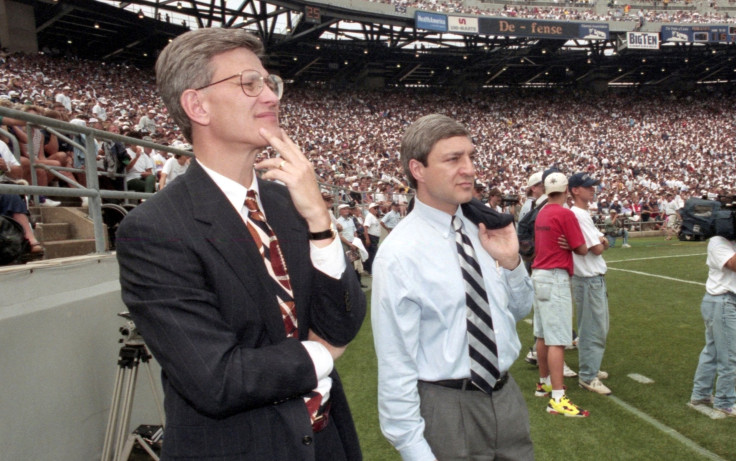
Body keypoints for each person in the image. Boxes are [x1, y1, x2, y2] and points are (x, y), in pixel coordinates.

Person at [116, 28, 366, 460]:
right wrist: (319, 355)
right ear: (198, 105)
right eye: (250, 83)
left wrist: (320, 222)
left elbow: (343, 322)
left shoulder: (288, 202)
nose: (270, 96)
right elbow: (217, 378)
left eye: (270, 83)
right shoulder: (154, 229)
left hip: (327, 443)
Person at [372, 114, 534, 461]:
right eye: (453, 159)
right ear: (418, 170)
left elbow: (518, 311)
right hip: (446, 408)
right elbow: (395, 362)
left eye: (471, 156)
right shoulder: (399, 254)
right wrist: (413, 448)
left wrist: (511, 262)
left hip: (506, 399)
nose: (469, 169)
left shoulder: (483, 229)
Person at [532, 172, 590, 417]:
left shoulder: (542, 212)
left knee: (543, 334)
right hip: (555, 275)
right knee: (557, 339)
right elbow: (583, 249)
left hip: (539, 273)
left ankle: (544, 382)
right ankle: (557, 397)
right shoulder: (565, 213)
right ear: (567, 190)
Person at [568, 173, 612, 396]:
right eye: (587, 187)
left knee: (594, 326)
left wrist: (602, 241)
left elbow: (602, 241)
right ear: (575, 190)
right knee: (594, 327)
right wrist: (603, 242)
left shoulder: (582, 213)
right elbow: (598, 246)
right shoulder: (578, 215)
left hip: (590, 278)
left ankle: (590, 368)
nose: (592, 189)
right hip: (588, 278)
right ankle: (587, 375)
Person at [688, 234, 736, 417]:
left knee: (714, 350)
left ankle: (701, 394)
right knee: (729, 354)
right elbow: (733, 265)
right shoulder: (718, 241)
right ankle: (725, 401)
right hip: (722, 301)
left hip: (724, 301)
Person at [363, 202, 381, 275]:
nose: (376, 210)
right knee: (372, 254)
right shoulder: (369, 216)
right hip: (371, 236)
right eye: (375, 208)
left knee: (372, 253)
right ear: (370, 209)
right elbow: (365, 227)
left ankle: (370, 269)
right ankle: (371, 270)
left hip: (375, 237)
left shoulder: (373, 216)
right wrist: (367, 238)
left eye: (377, 208)